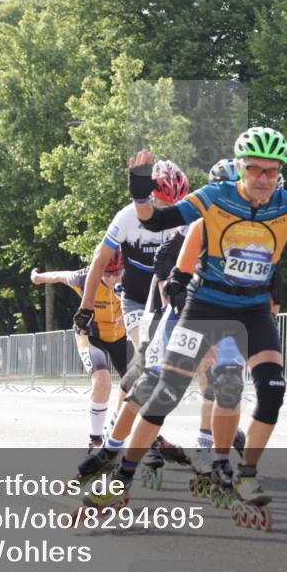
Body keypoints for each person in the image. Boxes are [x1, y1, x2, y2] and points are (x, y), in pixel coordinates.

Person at [80, 127, 287, 527]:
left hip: (252, 312)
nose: (264, 180)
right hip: (206, 305)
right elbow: (155, 221)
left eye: (272, 172)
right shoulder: (216, 197)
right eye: (256, 170)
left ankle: (245, 474)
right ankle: (122, 478)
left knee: (270, 392)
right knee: (165, 393)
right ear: (241, 169)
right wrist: (140, 190)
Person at [74, 160, 190, 406]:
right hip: (136, 300)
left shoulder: (185, 218)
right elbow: (99, 261)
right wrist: (86, 307)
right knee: (148, 360)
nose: (167, 211)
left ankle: (217, 431)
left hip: (166, 295)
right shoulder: (128, 216)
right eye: (161, 203)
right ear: (149, 195)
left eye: (174, 205)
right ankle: (120, 428)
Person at [31, 251, 128, 450]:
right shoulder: (84, 277)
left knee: (135, 386)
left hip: (120, 335)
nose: (111, 278)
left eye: (116, 272)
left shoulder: (133, 277)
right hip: (91, 334)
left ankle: (116, 428)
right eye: (106, 273)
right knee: (102, 382)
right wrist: (37, 278)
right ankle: (95, 438)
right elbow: (58, 276)